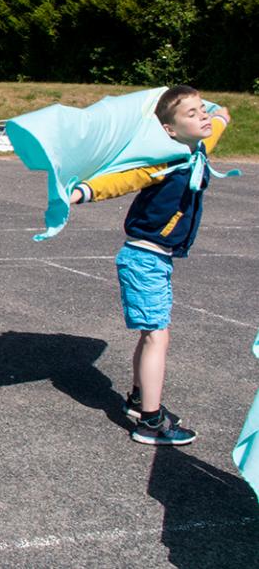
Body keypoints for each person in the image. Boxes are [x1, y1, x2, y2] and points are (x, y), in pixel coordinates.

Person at [69, 85, 230, 446]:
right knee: (158, 335)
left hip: (158, 259)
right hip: (143, 259)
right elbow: (121, 180)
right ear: (169, 130)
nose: (202, 116)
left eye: (201, 109)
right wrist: (81, 192)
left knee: (152, 333)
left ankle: (141, 400)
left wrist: (212, 111)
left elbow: (221, 119)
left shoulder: (198, 148)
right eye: (192, 114)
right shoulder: (163, 160)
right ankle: (151, 423)